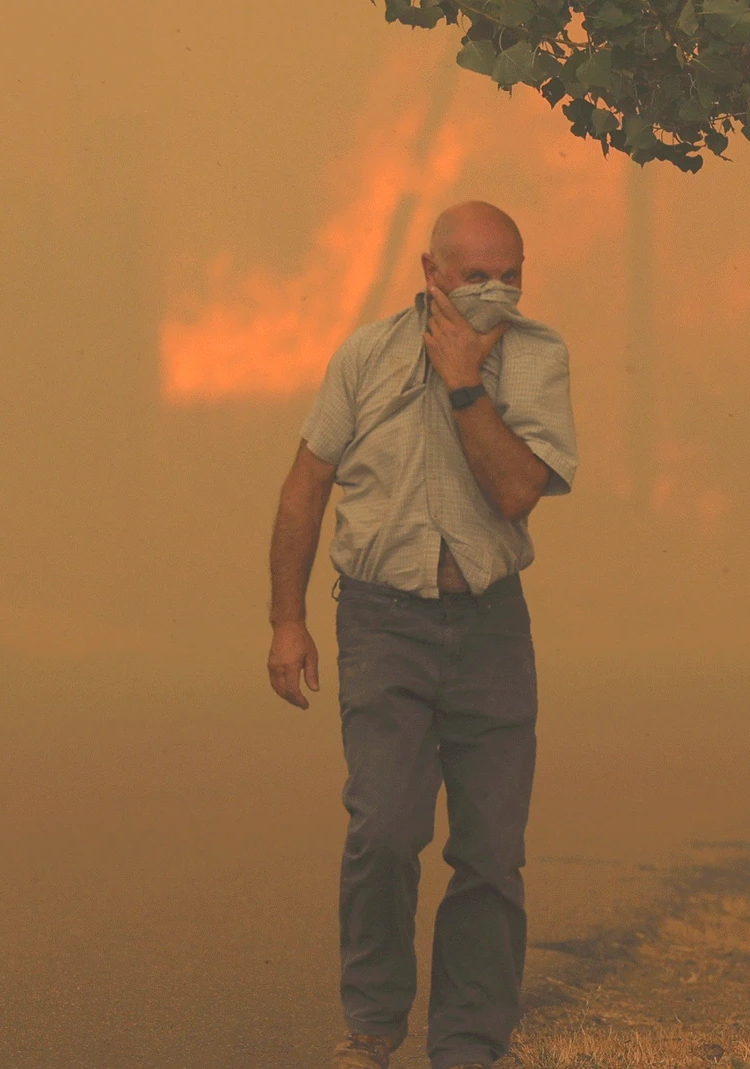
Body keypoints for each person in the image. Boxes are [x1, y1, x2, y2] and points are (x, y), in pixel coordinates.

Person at [265, 201, 577, 1069]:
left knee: (490, 850)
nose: (495, 290)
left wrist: (467, 383)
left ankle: (471, 1043)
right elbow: (305, 487)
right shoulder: (366, 354)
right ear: (431, 272)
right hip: (381, 618)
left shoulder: (537, 356)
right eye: (475, 275)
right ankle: (370, 1026)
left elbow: (518, 491)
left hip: (488, 624)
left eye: (510, 273)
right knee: (385, 828)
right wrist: (287, 619)